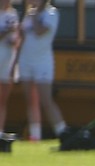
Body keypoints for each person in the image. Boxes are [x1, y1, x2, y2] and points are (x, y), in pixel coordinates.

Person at [18, 0, 68, 142]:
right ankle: (35, 136)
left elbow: (40, 31)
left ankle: (62, 132)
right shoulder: (29, 14)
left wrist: (33, 16)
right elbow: (22, 36)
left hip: (43, 63)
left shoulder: (51, 13)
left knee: (46, 100)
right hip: (26, 60)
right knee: (30, 100)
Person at [1, 0, 19, 138]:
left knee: (3, 99)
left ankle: (0, 131)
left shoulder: (13, 14)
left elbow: (15, 39)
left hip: (8, 61)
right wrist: (7, 31)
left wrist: (14, 40)